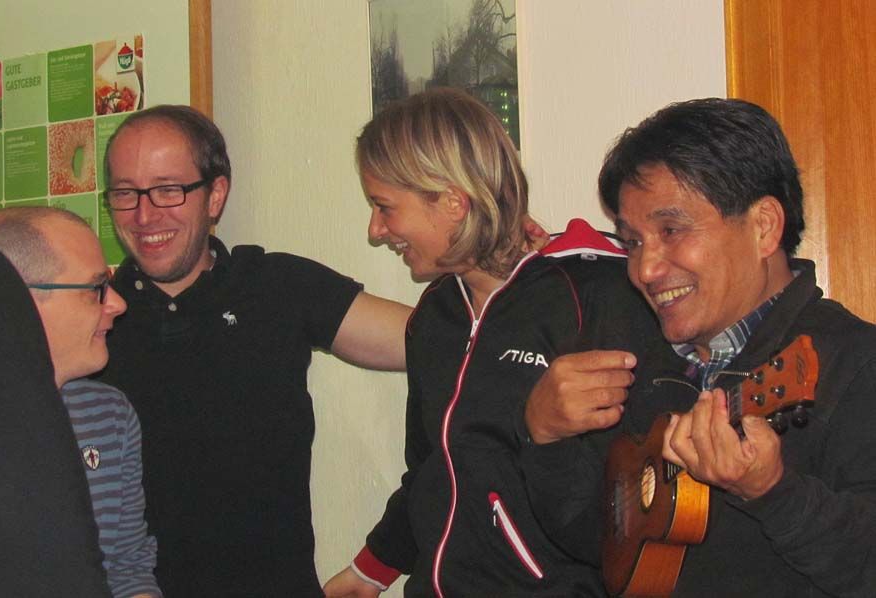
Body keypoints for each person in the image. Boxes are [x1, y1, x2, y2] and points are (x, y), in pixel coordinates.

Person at [526, 98, 876, 596]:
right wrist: (546, 438)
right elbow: (600, 547)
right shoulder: (640, 364)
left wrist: (773, 492)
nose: (645, 269)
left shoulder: (857, 363)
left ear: (764, 226)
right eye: (633, 242)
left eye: (671, 230)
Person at [322, 88, 658, 597]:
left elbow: (639, 496)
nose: (376, 230)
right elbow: (434, 470)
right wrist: (370, 570)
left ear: (452, 202)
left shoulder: (595, 297)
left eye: (384, 207)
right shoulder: (436, 315)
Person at [97, 104, 413, 597]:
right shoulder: (90, 322)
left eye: (168, 189)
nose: (144, 214)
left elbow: (443, 342)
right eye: (125, 193)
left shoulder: (276, 288)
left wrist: (511, 266)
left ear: (215, 195)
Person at [0, 207, 160, 598]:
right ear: (19, 301)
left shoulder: (111, 416)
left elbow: (126, 567)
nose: (118, 303)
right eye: (96, 288)